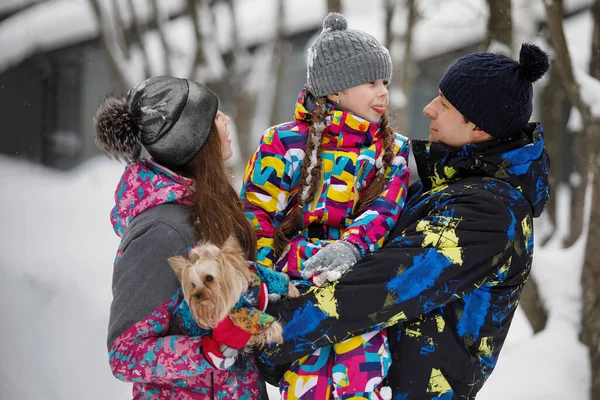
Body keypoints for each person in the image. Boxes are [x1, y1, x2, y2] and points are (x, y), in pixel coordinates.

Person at [257, 43, 551, 400]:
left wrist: (273, 332)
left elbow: (384, 286)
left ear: (477, 128)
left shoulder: (492, 212)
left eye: (443, 104)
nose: (428, 109)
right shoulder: (447, 188)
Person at [241, 12, 411, 400]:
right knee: (305, 378)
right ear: (335, 90)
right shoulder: (282, 144)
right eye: (371, 82)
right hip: (295, 284)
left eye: (385, 81)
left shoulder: (392, 150)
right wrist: (265, 280)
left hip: (359, 282)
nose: (383, 92)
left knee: (361, 377)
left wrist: (352, 246)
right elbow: (257, 216)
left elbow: (385, 209)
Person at [94, 76, 267, 399]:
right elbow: (124, 352)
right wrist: (207, 351)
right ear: (194, 139)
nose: (226, 119)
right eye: (215, 116)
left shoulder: (208, 208)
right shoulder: (161, 230)